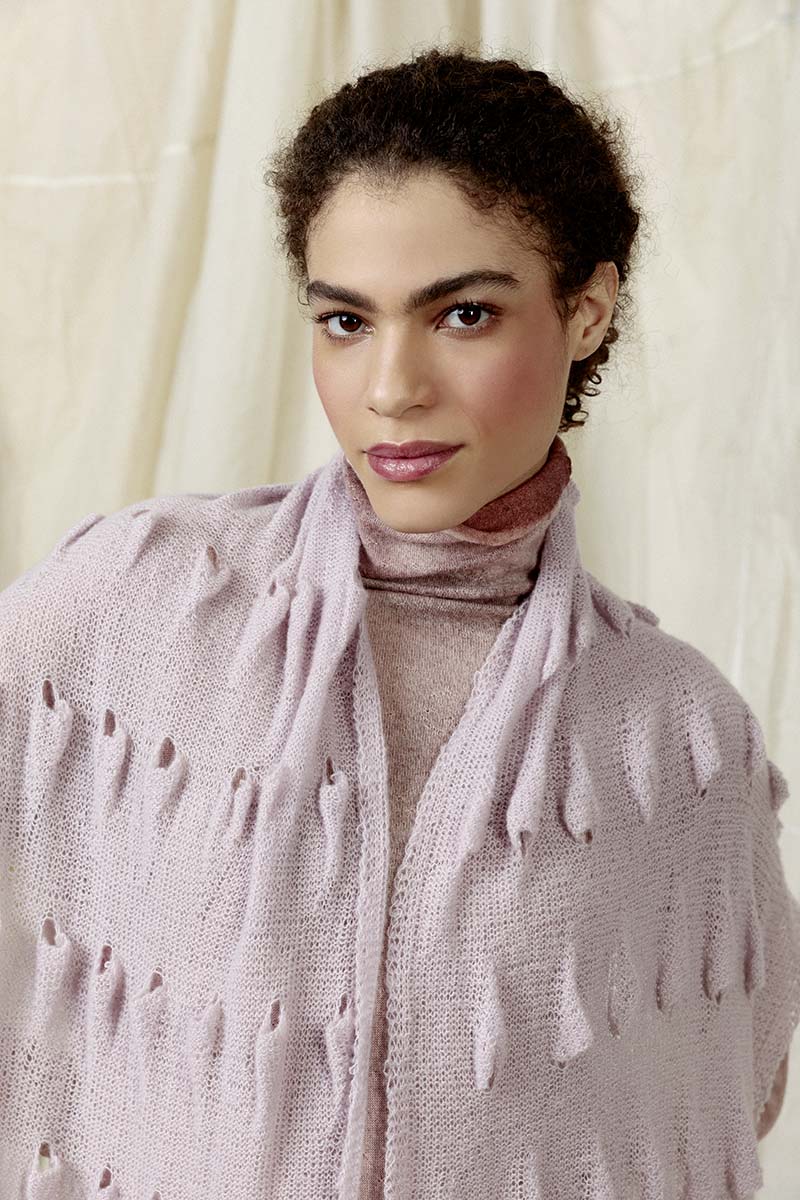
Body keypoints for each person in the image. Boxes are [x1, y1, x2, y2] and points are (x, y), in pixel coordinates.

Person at [0, 44, 796, 1200]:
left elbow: (721, 1084)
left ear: (584, 311)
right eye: (345, 321)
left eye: (462, 314)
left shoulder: (676, 737)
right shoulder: (136, 602)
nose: (390, 388)